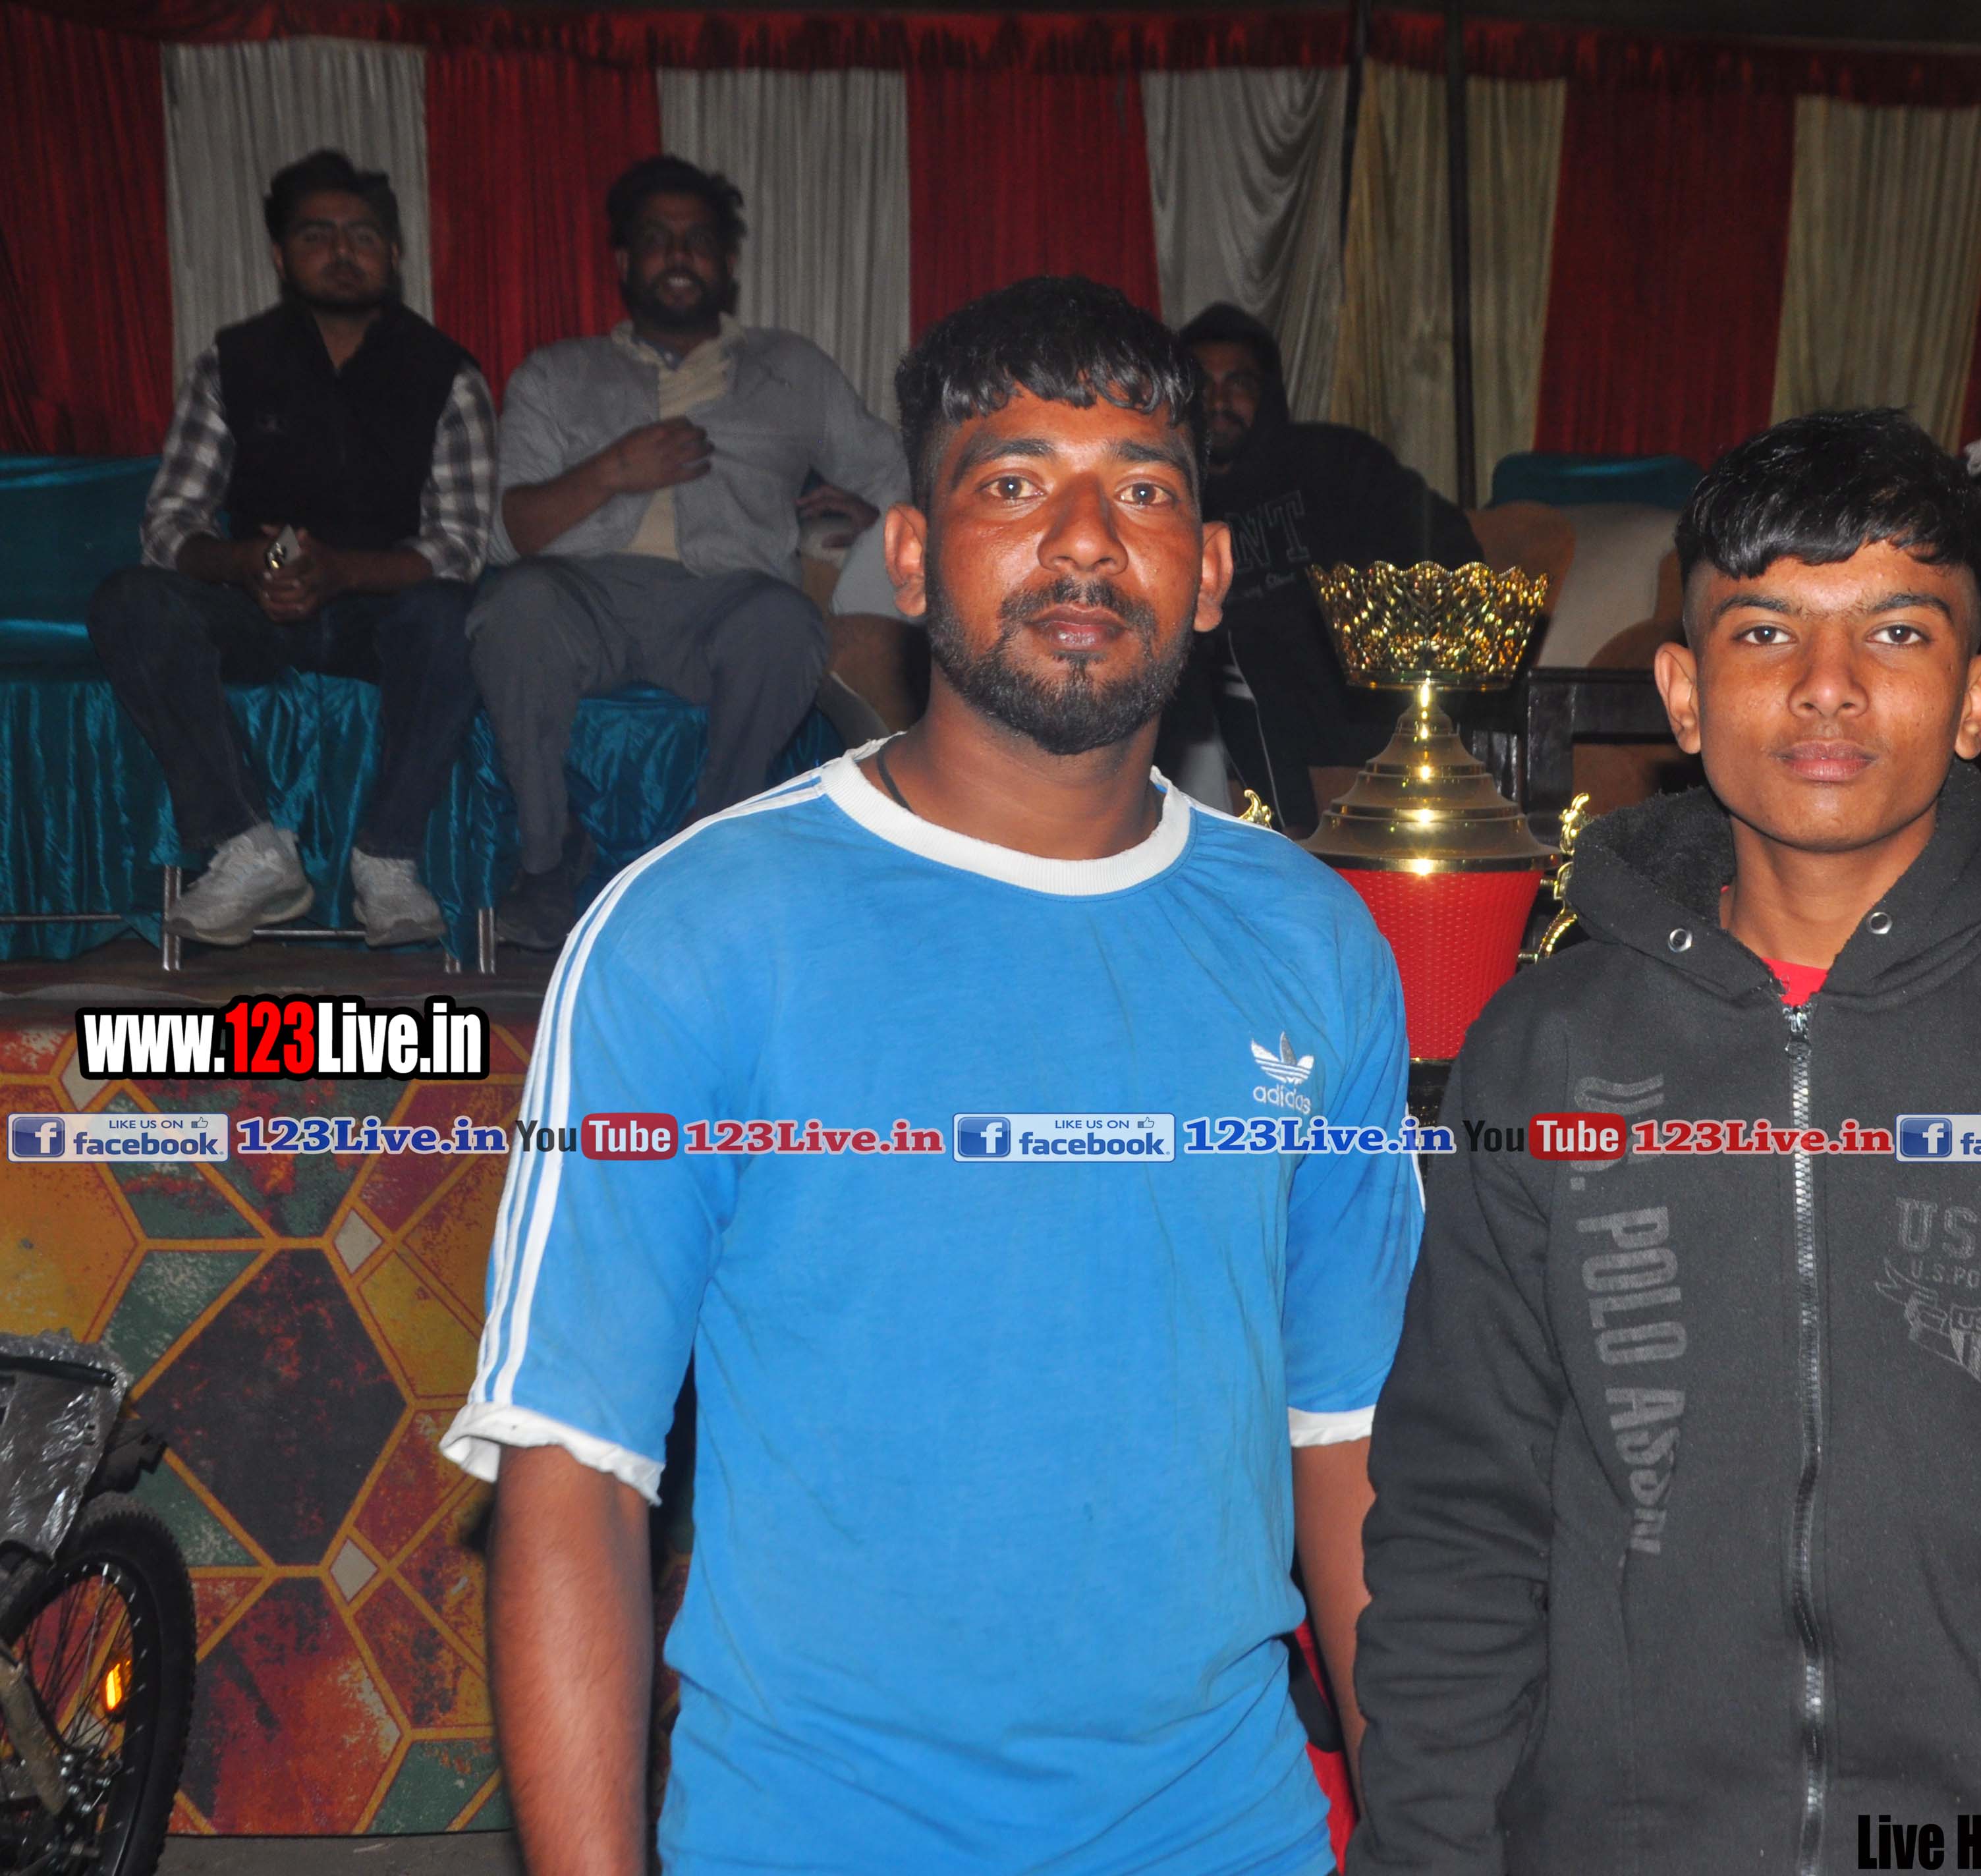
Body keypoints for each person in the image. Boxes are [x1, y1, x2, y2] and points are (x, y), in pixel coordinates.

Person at [445, 274, 1420, 1876]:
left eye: (1144, 492)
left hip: (1224, 1829)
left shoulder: (1311, 940)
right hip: (807, 1836)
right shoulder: (694, 928)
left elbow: (1353, 1442)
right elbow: (572, 1469)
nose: (1085, 540)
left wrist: (1424, 1835)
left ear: (1210, 570)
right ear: (907, 556)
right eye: (1014, 484)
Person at [1351, 408, 1981, 1871]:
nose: (1825, 686)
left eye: (1894, 633)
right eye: (1764, 632)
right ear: (1683, 693)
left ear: (1978, 697)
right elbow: (1461, 1529)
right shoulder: (1543, 1050)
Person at [470, 155, 910, 950]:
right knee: (513, 604)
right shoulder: (557, 374)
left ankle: (711, 859)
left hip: (726, 600)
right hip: (581, 594)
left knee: (784, 623)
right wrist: (611, 471)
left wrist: (874, 511)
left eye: (698, 241)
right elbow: (506, 536)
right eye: (656, 239)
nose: (678, 256)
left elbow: (896, 471)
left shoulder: (792, 370)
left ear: (728, 264)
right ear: (623, 262)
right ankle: (544, 863)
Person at [88, 149, 491, 949]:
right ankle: (247, 846)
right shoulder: (232, 363)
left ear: (394, 253)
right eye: (316, 235)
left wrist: (343, 573)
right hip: (258, 601)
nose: (342, 252)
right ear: (280, 255)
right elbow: (169, 524)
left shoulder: (445, 373)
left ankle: (388, 858)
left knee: (456, 613)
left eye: (362, 236)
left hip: (381, 609)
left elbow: (460, 544)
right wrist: (246, 563)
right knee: (130, 598)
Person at [1159, 304, 1482, 835]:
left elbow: (1442, 540)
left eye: (1238, 384)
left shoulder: (1330, 464)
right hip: (1210, 698)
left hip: (1340, 693)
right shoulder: (1164, 487)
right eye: (1203, 386)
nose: (1218, 402)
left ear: (1267, 393)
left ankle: (1295, 847)